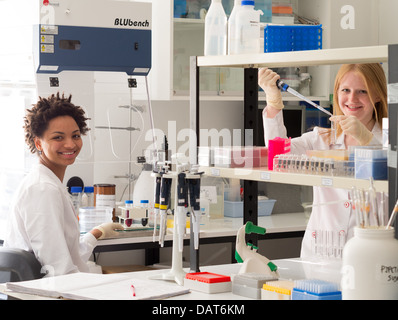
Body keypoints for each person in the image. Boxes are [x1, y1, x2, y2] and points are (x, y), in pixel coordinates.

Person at [259, 63, 388, 259]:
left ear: (377, 95)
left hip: (369, 254)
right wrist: (273, 104)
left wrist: (368, 141)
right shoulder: (320, 139)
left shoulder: (389, 141)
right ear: (336, 93)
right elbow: (278, 157)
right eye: (346, 90)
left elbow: (389, 176)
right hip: (320, 251)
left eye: (363, 91)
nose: (352, 99)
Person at [4, 93, 124, 275]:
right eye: (58, 138)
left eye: (75, 136)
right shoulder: (43, 188)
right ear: (38, 143)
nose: (70, 144)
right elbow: (59, 270)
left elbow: (68, 256)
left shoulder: (48, 182)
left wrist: (96, 233)